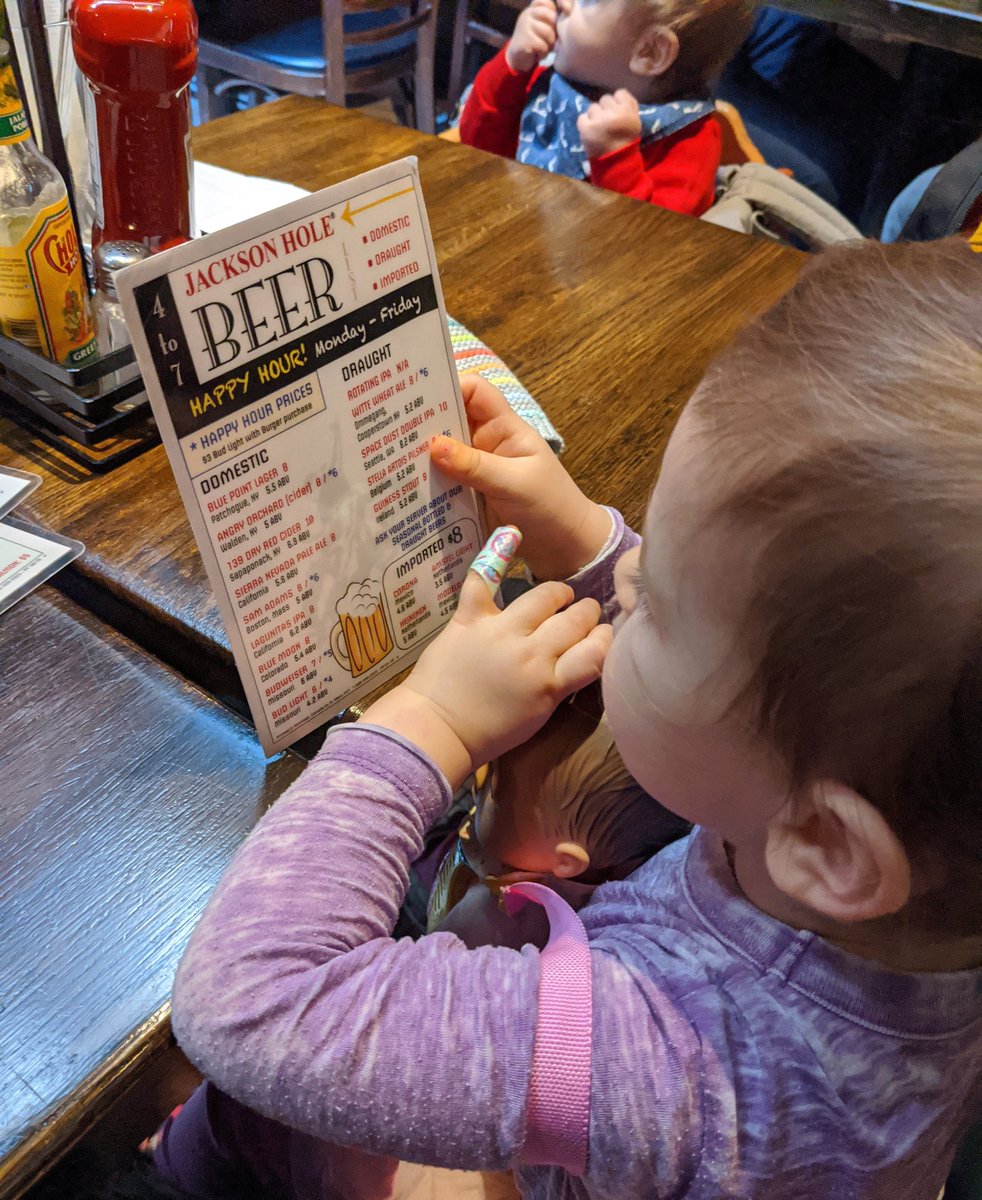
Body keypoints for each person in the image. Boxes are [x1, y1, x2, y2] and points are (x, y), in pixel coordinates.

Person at [167, 237, 982, 1199]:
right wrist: (590, 539)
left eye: (655, 602)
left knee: (258, 1117)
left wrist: (428, 721)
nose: (623, 582)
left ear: (827, 845)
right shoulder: (908, 864)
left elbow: (254, 999)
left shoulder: (667, 1056)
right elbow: (786, 685)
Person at [458, 0, 753, 216]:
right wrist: (510, 64)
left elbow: (651, 247)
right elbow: (476, 147)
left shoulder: (688, 141)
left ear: (650, 52)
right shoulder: (552, 80)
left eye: (588, 2)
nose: (562, 3)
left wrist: (616, 158)